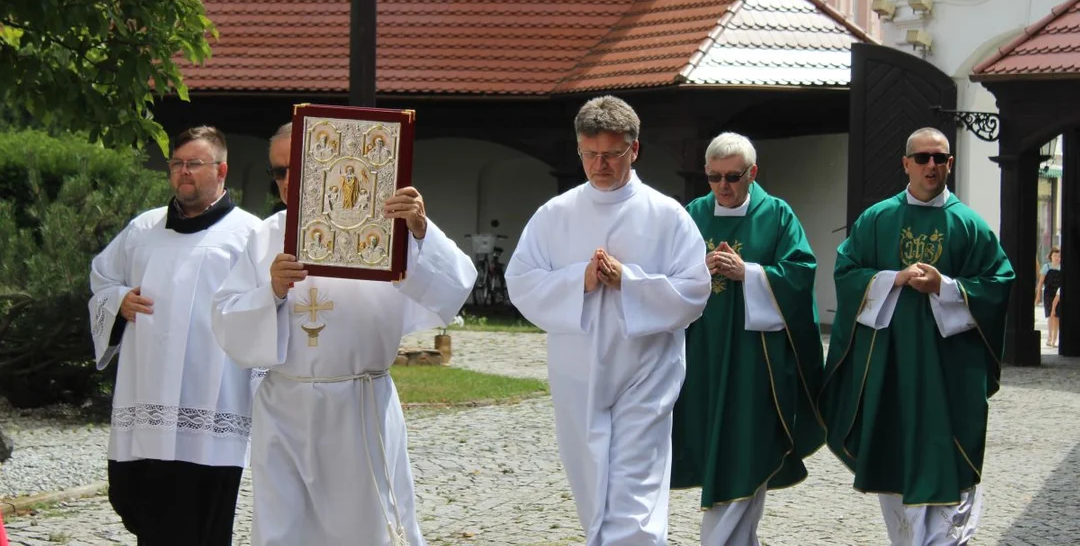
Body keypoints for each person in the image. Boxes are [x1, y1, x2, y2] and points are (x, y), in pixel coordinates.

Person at [211, 122, 476, 546]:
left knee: (368, 529)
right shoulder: (265, 236)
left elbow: (455, 287)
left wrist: (420, 230)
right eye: (278, 172)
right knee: (283, 530)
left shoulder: (385, 229)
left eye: (295, 168)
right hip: (285, 409)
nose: (286, 181)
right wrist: (271, 292)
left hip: (358, 403)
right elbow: (226, 319)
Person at [504, 95, 712, 545]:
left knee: (634, 492)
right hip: (578, 372)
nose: (600, 165)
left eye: (611, 155)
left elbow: (695, 292)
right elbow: (520, 281)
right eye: (589, 154)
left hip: (646, 371)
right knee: (592, 483)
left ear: (634, 150)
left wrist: (630, 283)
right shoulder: (554, 215)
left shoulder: (668, 215)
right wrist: (580, 278)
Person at [818, 127, 1015, 546]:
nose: (931, 165)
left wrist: (945, 287)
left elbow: (998, 283)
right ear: (905, 163)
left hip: (949, 370)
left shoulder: (969, 224)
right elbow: (847, 273)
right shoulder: (877, 220)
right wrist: (893, 279)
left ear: (950, 164)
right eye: (922, 157)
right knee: (897, 457)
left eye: (940, 158)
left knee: (951, 462)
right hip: (892, 365)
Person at [88, 126, 261, 545]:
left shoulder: (250, 233)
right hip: (145, 396)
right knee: (136, 501)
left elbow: (267, 308)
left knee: (202, 522)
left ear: (221, 170)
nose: (184, 173)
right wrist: (118, 300)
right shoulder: (143, 229)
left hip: (213, 402)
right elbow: (102, 278)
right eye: (177, 164)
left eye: (194, 164)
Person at [671, 132, 824, 546]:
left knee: (747, 447)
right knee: (711, 449)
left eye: (734, 176)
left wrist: (750, 273)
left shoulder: (777, 215)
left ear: (753, 173)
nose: (723, 186)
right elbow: (665, 277)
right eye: (714, 177)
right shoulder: (692, 215)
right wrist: (698, 270)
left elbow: (800, 273)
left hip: (757, 362)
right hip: (701, 355)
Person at [1036, 247, 1062, 347]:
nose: (1057, 258)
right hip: (1048, 294)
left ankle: (1055, 339)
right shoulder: (1046, 267)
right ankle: (1050, 337)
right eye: (1055, 255)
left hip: (1059, 294)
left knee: (1057, 317)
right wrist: (1038, 295)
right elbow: (1041, 281)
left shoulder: (1062, 267)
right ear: (1051, 256)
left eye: (1059, 256)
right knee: (1050, 316)